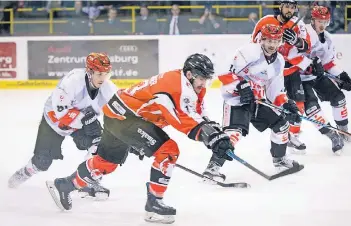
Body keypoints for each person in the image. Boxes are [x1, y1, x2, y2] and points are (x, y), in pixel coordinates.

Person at [45, 53, 235, 224]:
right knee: (168, 151)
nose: (204, 83)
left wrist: (215, 132)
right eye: (202, 78)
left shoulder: (191, 86)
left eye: (206, 80)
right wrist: (210, 137)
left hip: (117, 112)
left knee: (106, 163)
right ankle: (154, 205)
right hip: (126, 117)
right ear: (190, 74)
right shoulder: (173, 86)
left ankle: (65, 185)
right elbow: (179, 119)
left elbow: (198, 112)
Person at [8, 52, 116, 199]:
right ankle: (23, 174)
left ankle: (89, 180)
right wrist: (86, 120)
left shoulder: (108, 89)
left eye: (106, 74)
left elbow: (121, 112)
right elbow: (62, 115)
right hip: (54, 122)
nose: (103, 79)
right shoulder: (71, 82)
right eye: (99, 74)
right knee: (42, 162)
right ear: (89, 72)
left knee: (99, 145)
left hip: (80, 122)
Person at [203, 24, 304, 181]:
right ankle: (212, 168)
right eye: (269, 41)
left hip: (258, 101)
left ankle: (280, 160)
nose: (272, 45)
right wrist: (241, 85)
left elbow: (275, 90)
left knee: (281, 125)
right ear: (261, 40)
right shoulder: (249, 51)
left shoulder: (279, 62)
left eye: (276, 41)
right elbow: (224, 72)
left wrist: (285, 104)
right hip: (237, 100)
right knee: (233, 135)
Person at [251, 0, 311, 153]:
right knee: (277, 106)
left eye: (292, 7)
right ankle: (282, 135)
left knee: (298, 105)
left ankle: (293, 136)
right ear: (280, 7)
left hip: (291, 70)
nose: (289, 10)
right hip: (271, 71)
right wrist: (273, 39)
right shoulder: (265, 21)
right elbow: (253, 43)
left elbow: (307, 46)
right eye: (287, 6)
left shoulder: (299, 25)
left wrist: (296, 41)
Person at [299, 6, 351, 154]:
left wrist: (341, 75)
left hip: (317, 76)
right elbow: (292, 55)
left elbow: (328, 62)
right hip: (299, 78)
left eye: (326, 21)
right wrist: (309, 65)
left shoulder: (327, 38)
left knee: (339, 98)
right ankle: (332, 136)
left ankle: (343, 131)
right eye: (319, 21)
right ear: (313, 20)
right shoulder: (304, 32)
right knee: (312, 109)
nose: (322, 24)